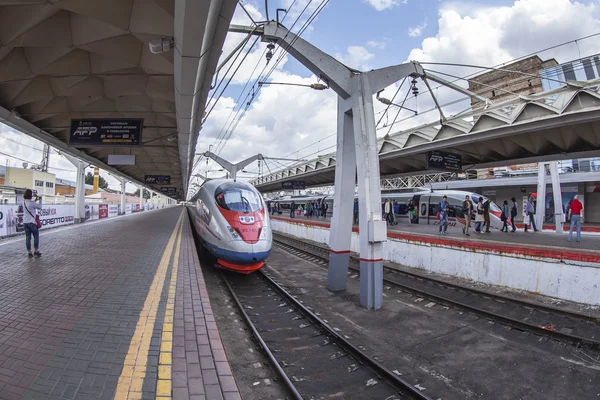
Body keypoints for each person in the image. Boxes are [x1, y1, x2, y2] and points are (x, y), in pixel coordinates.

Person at [23, 189, 42, 258]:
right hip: (32, 223)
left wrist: (35, 200)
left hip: (25, 222)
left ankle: (29, 252)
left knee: (28, 237)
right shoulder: (32, 203)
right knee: (36, 236)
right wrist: (40, 200)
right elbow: (39, 207)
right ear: (30, 195)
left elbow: (31, 204)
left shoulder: (24, 202)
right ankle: (36, 251)